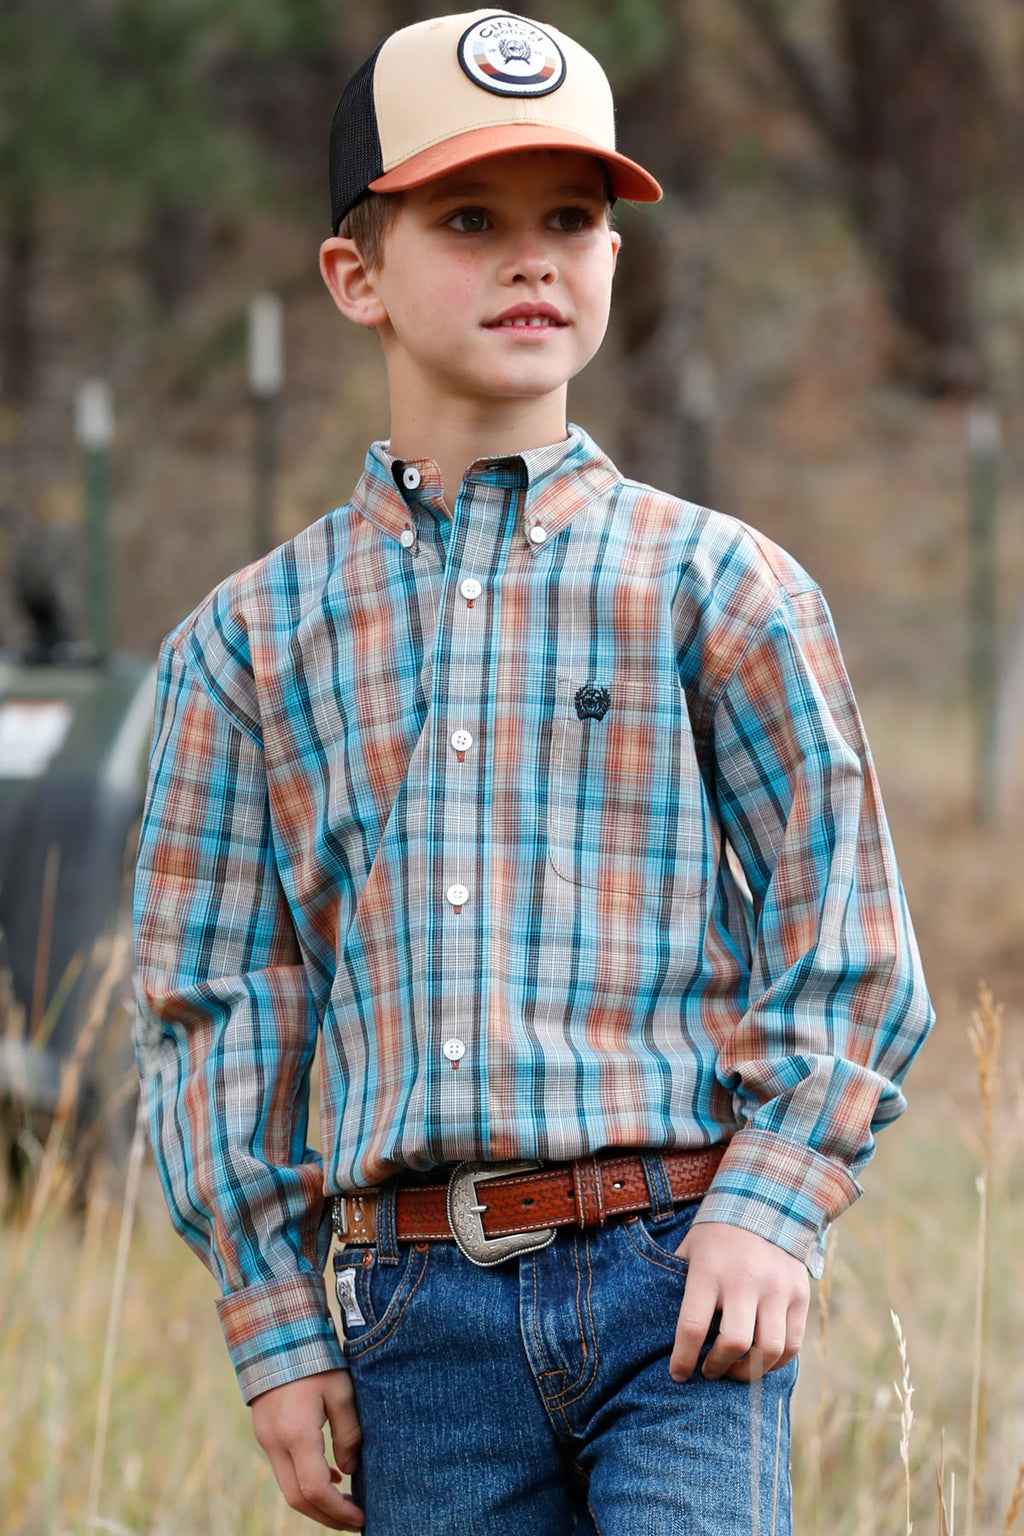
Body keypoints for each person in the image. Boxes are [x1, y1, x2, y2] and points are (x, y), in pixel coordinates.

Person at [131, 10, 935, 1535]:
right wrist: (275, 1325)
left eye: (572, 219)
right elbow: (215, 1006)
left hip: (679, 1285)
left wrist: (771, 1209)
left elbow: (849, 938)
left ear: (616, 257)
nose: (534, 258)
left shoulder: (721, 589)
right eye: (469, 219)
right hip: (414, 1320)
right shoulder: (243, 646)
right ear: (355, 273)